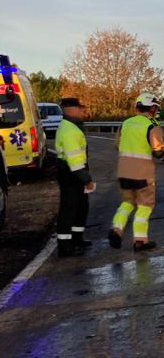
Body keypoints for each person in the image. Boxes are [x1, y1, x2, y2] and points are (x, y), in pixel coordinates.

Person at [108, 92, 164, 252]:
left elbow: (117, 145)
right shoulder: (152, 125)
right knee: (145, 205)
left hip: (124, 170)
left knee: (127, 202)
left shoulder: (125, 123)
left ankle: (116, 230)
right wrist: (161, 154)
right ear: (152, 108)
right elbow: (158, 150)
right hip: (142, 172)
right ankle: (140, 240)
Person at [55, 98, 95, 257]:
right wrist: (86, 179)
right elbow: (74, 160)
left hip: (74, 171)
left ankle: (76, 239)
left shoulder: (72, 127)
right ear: (69, 109)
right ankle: (65, 247)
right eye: (80, 108)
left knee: (80, 207)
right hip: (71, 173)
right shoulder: (70, 130)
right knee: (69, 209)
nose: (82, 111)